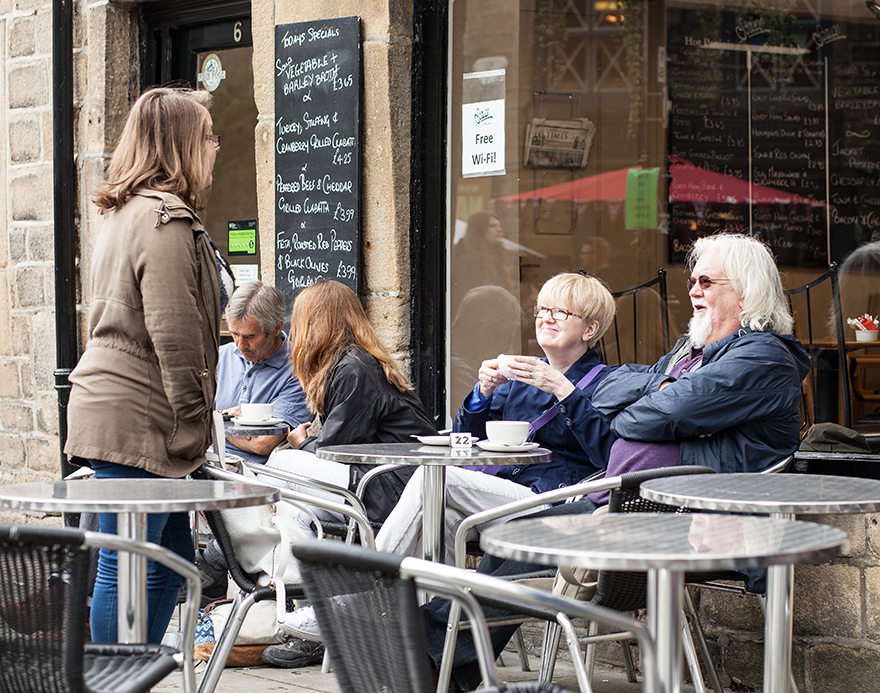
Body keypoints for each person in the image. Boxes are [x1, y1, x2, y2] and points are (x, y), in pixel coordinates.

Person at [419, 232, 812, 691]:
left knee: (526, 541)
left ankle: (426, 655)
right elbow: (633, 397)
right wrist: (665, 402)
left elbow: (665, 412)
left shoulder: (763, 354)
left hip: (689, 516)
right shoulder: (695, 351)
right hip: (629, 502)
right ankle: (438, 657)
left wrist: (668, 405)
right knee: (513, 539)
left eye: (707, 281)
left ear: (746, 291)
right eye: (692, 281)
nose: (693, 291)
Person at [280, 272, 619, 644]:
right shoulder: (522, 379)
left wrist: (562, 390)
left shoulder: (609, 382)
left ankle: (353, 604)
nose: (546, 317)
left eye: (561, 312)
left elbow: (610, 454)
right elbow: (465, 438)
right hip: (501, 493)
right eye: (542, 309)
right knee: (432, 505)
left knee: (439, 483)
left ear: (590, 329)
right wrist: (483, 392)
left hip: (553, 504)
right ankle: (412, 641)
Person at [64, 86, 229, 644]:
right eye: (209, 138)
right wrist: (193, 428)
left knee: (166, 562)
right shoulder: (164, 220)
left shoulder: (124, 213)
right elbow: (177, 336)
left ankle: (132, 670)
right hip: (139, 419)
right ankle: (114, 679)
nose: (216, 149)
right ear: (182, 146)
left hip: (122, 409)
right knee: (131, 563)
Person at [255, 279, 437, 668]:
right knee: (297, 509)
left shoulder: (354, 367)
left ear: (316, 323)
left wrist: (303, 443)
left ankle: (319, 611)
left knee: (281, 467)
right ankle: (322, 615)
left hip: (394, 488)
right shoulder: (354, 362)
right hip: (381, 481)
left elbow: (337, 450)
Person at [213, 280, 310, 464]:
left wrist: (214, 420)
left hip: (251, 474)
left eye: (250, 336)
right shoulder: (220, 356)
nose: (240, 345)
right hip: (203, 463)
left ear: (276, 328)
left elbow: (262, 444)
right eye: (234, 334)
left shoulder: (299, 371)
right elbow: (188, 416)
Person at [450, 210, 518, 313]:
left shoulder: (497, 260)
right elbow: (461, 300)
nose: (499, 230)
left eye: (499, 226)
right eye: (492, 226)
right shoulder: (466, 261)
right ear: (479, 230)